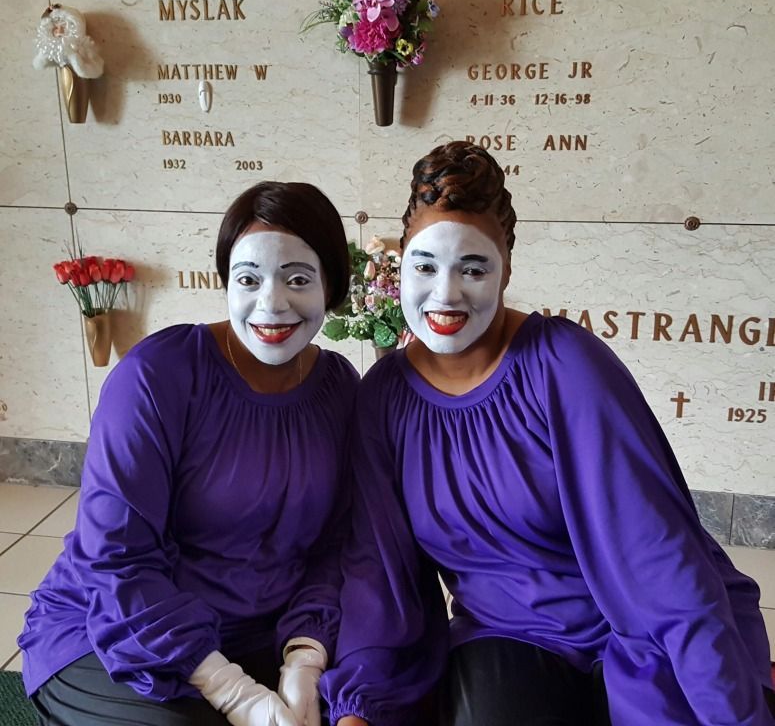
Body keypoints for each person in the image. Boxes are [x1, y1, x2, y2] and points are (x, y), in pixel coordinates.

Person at [321, 141, 775, 726]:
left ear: (507, 268)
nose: (446, 294)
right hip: (504, 640)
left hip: (632, 628)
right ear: (400, 263)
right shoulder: (384, 397)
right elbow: (378, 568)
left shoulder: (564, 363)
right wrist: (362, 702)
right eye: (425, 266)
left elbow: (657, 554)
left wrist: (729, 712)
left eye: (474, 268)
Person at [19, 181, 359, 726]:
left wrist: (304, 656)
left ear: (332, 287)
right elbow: (117, 558)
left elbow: (337, 542)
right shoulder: (158, 376)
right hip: (112, 628)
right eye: (248, 279)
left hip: (259, 636)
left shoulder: (339, 387)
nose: (271, 303)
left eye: (298, 279)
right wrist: (233, 692)